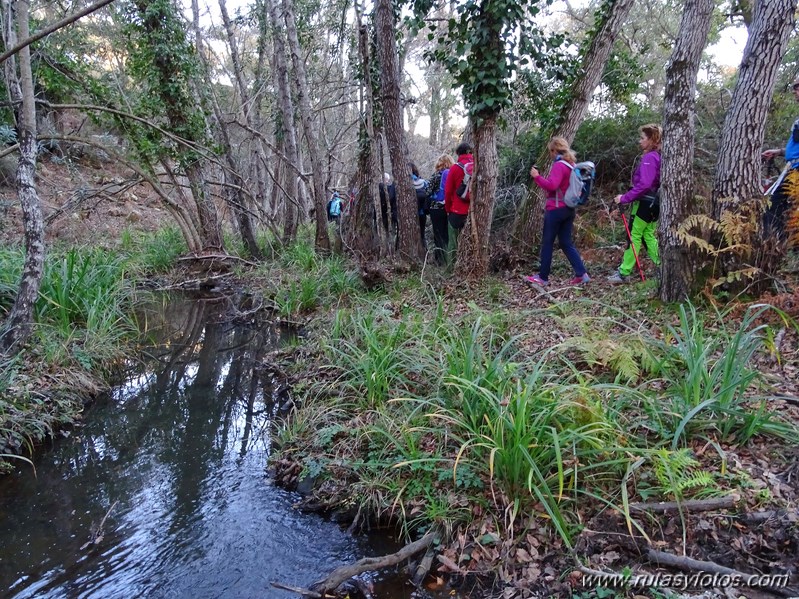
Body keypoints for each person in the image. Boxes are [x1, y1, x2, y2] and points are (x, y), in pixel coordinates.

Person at [524, 137, 590, 287]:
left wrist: (537, 177)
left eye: (550, 151)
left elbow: (552, 186)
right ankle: (582, 274)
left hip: (555, 209)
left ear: (555, 150)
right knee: (566, 242)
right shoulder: (571, 164)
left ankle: (542, 277)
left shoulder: (559, 165)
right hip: (569, 209)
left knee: (547, 243)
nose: (550, 154)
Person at [608, 124, 662, 284]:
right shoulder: (658, 157)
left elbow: (644, 184)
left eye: (642, 138)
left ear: (652, 140)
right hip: (654, 203)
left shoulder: (650, 158)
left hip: (645, 203)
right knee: (647, 235)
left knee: (634, 236)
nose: (640, 141)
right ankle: (663, 265)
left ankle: (624, 272)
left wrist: (624, 198)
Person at [761, 78, 799, 241]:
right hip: (792, 168)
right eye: (795, 89)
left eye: (798, 89)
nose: (796, 93)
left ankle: (775, 245)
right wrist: (779, 151)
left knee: (773, 206)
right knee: (782, 208)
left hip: (796, 171)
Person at [444, 142, 473, 245]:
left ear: (458, 153)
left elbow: (447, 191)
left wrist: (448, 209)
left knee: (453, 244)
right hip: (473, 211)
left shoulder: (455, 168)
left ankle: (453, 261)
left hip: (457, 211)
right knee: (470, 244)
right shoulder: (479, 166)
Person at [427, 154, 453, 265]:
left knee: (438, 234)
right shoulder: (453, 174)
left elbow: (427, 191)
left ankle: (439, 260)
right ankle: (449, 258)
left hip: (436, 209)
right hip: (450, 209)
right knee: (448, 234)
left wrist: (435, 196)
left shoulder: (436, 175)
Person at [410, 163, 429, 248]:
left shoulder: (403, 183)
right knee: (422, 234)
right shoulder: (423, 182)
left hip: (409, 214)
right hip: (422, 213)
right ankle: (424, 251)